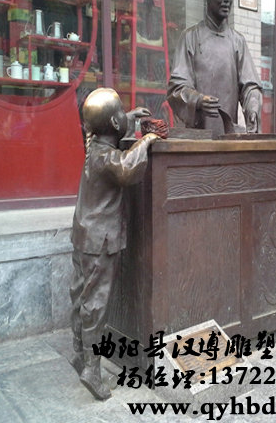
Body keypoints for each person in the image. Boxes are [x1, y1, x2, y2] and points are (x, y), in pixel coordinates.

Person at [69, 88, 159, 400]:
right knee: (95, 303)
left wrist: (128, 118)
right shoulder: (106, 157)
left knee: (80, 295)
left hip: (84, 235)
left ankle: (79, 353)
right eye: (121, 111)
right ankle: (92, 369)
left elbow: (112, 131)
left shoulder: (94, 145)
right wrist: (146, 141)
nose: (125, 114)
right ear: (113, 123)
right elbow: (126, 168)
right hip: (100, 240)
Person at [167, 0, 262, 137]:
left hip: (228, 139)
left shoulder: (238, 42)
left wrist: (253, 106)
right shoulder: (190, 38)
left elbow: (250, 86)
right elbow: (177, 89)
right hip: (197, 141)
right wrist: (198, 100)